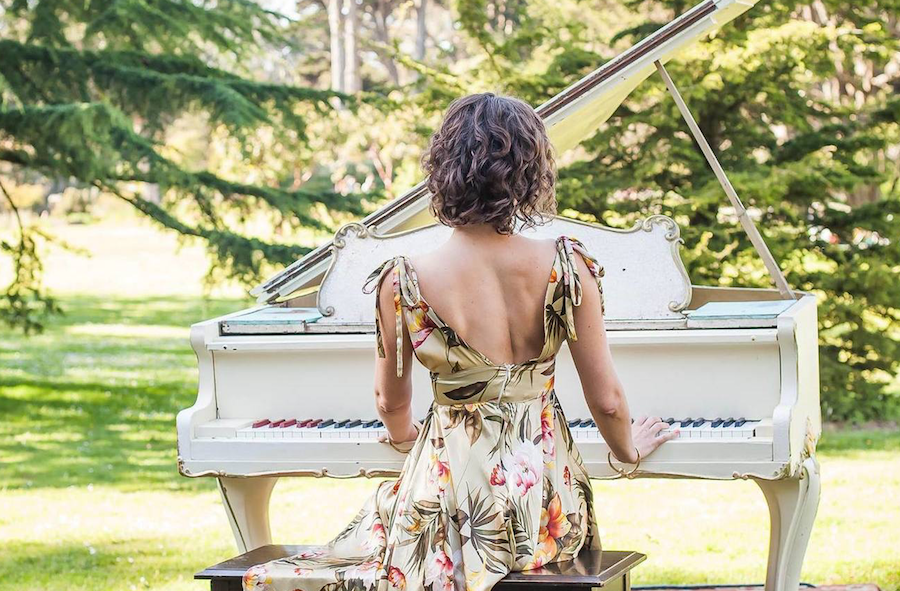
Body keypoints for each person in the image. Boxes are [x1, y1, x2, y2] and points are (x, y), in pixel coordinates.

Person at [242, 93, 677, 591]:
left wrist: (407, 436)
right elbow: (608, 400)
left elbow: (389, 401)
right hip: (545, 514)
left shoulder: (402, 281)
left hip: (452, 506)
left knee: (379, 528)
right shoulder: (567, 266)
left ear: (444, 171)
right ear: (528, 174)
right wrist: (628, 451)